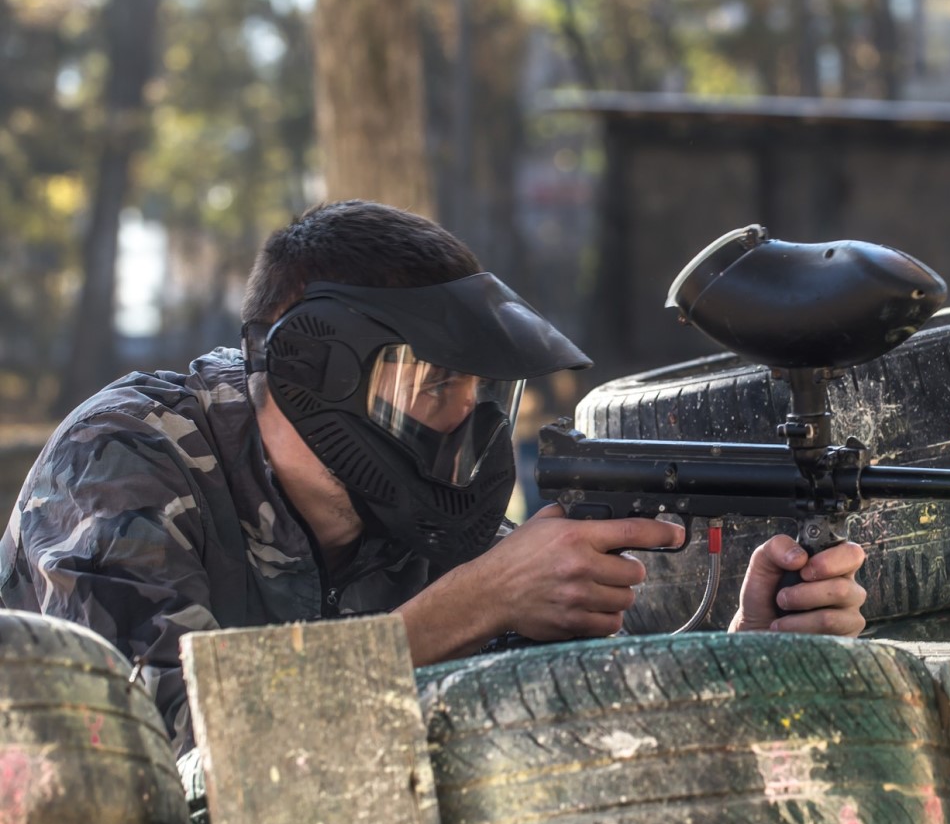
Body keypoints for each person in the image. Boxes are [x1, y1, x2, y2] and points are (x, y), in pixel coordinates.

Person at [0, 201, 866, 755]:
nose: (463, 417)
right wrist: (473, 605)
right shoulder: (123, 463)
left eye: (481, 390)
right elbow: (164, 754)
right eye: (434, 382)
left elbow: (573, 746)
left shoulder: (427, 526)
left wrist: (747, 651)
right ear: (315, 370)